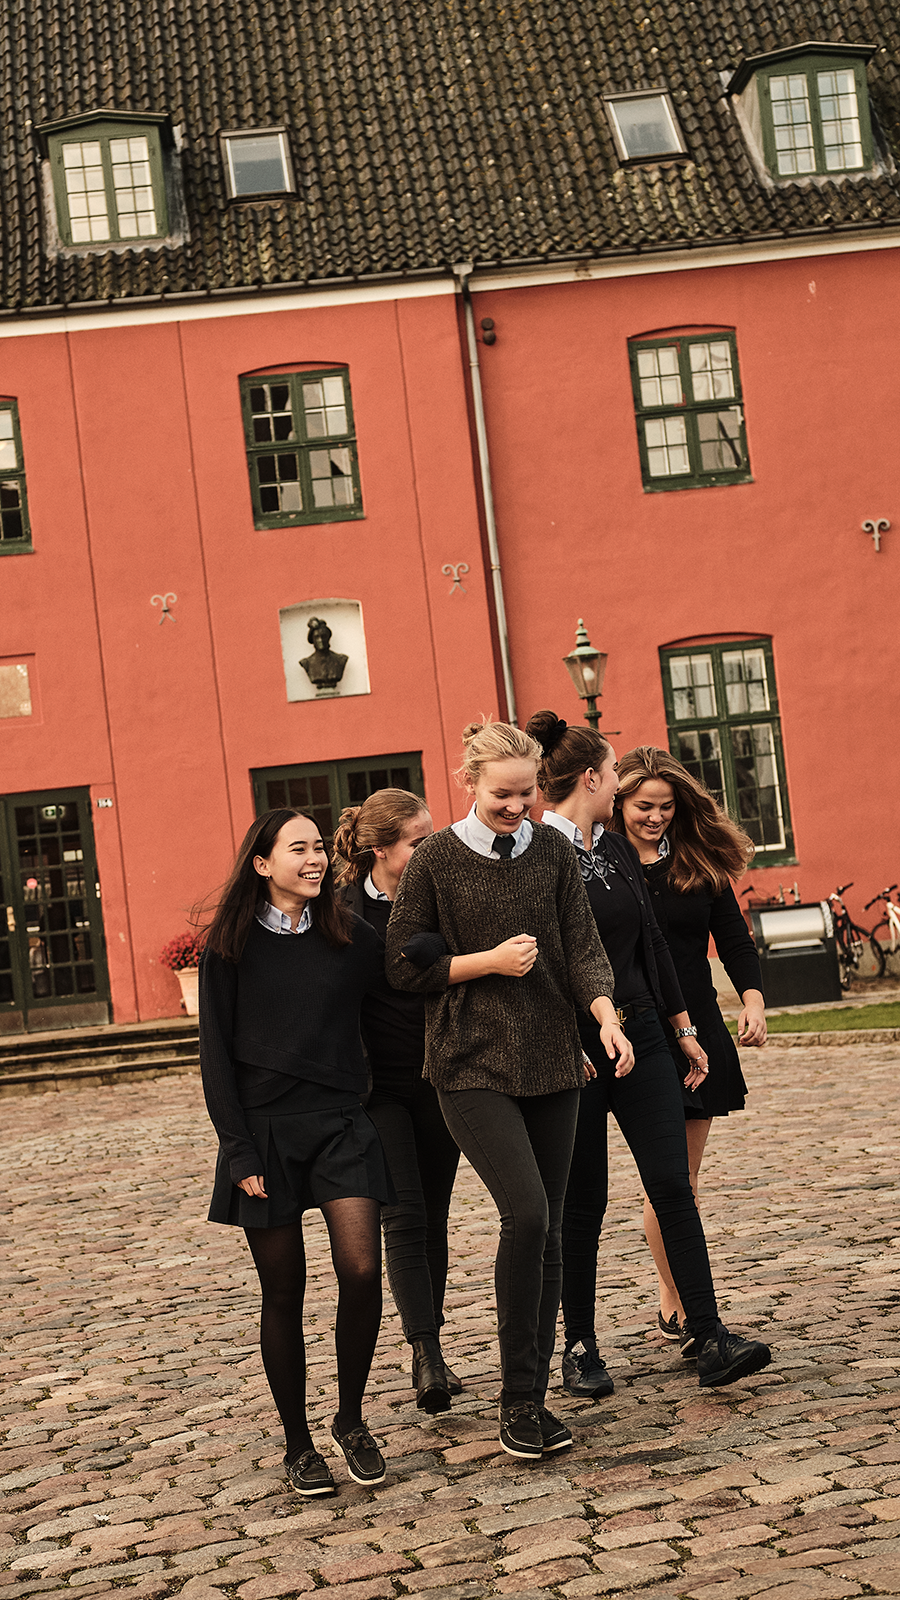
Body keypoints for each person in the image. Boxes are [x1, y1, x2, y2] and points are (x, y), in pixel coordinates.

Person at [385, 718, 635, 1461]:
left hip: (553, 1060)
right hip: (469, 1063)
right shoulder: (435, 860)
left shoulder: (552, 850)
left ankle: (527, 1402)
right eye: (502, 793)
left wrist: (605, 1017)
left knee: (548, 1226)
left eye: (528, 793)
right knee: (525, 1213)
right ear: (469, 783)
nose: (517, 806)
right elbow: (402, 966)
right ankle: (515, 1398)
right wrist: (486, 962)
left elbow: (582, 946)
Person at [525, 709, 771, 1395]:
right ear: (591, 778)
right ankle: (579, 1347)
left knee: (672, 1185)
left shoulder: (612, 851)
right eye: (613, 774)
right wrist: (561, 1039)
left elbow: (651, 947)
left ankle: (709, 1335)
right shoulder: (535, 854)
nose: (620, 786)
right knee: (585, 1201)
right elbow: (539, 962)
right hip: (577, 1047)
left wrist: (684, 1029)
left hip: (646, 1036)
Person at [199, 808, 391, 1499]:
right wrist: (238, 1151)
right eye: (298, 848)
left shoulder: (352, 935)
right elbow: (215, 1058)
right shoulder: (229, 947)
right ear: (262, 864)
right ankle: (298, 1444)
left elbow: (399, 1003)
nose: (314, 859)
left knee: (362, 1270)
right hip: (265, 1134)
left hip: (340, 1124)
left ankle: (350, 1419)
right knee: (283, 1290)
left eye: (319, 848)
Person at [608, 745, 766, 1342]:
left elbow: (734, 938)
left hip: (698, 1026)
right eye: (643, 806)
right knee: (668, 1179)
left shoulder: (697, 860)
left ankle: (675, 1297)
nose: (655, 817)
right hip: (639, 1028)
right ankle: (676, 1299)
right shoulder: (603, 864)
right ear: (618, 802)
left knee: (685, 1180)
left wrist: (752, 999)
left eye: (666, 807)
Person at [332, 789, 463, 1415]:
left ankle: (429, 1342)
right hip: (377, 1089)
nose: (431, 847)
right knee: (403, 1214)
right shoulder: (341, 913)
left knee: (434, 1214)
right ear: (382, 849)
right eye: (418, 840)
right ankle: (426, 1352)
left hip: (440, 1076)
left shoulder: (443, 894)